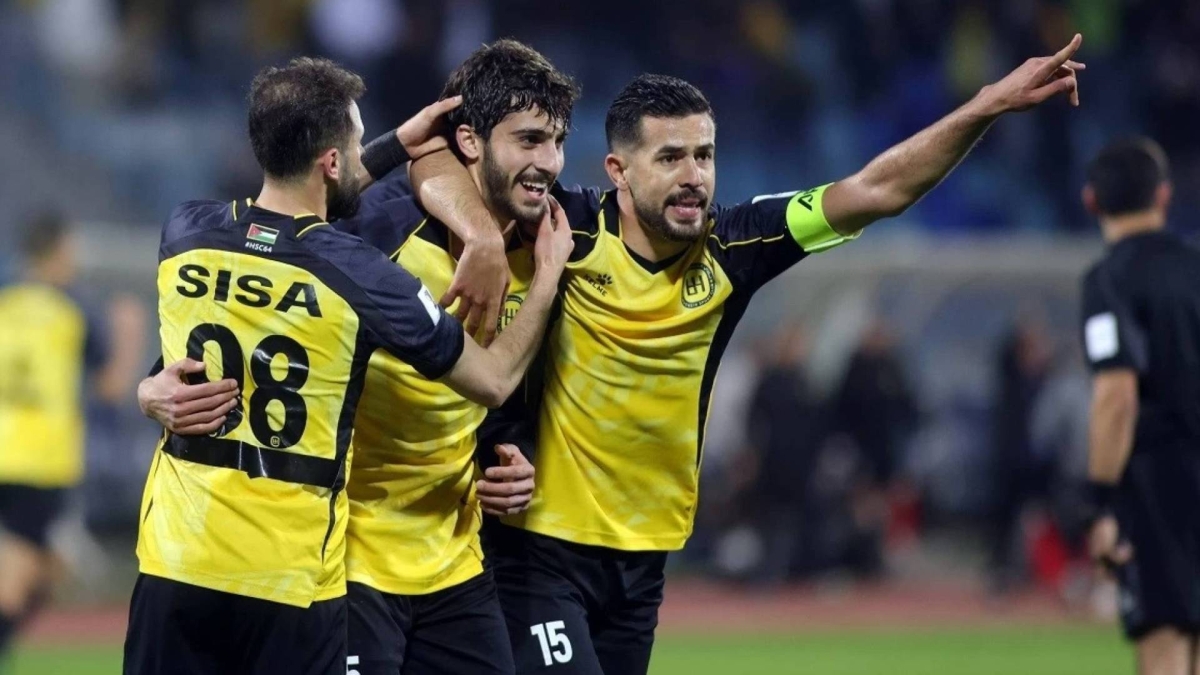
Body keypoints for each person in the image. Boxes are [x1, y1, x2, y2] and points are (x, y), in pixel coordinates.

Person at [411, 36, 1087, 674]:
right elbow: (432, 154)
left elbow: (877, 190)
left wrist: (986, 105)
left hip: (646, 558)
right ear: (618, 170)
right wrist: (484, 235)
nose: (693, 177)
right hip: (538, 548)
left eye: (704, 156)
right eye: (669, 158)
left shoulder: (735, 247)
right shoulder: (564, 227)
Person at [122, 56, 574, 675]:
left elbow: (206, 339)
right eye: (359, 144)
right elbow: (493, 379)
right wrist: (546, 276)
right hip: (302, 571)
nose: (549, 160)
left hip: (179, 558)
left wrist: (149, 389)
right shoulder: (361, 270)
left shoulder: (186, 231)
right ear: (334, 161)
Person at [1080, 138, 1200, 675]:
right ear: (1163, 196)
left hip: (1162, 483)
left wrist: (1101, 503)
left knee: (1164, 640)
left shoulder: (1109, 280)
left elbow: (1117, 395)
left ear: (1091, 201)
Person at [0, 213, 141, 660]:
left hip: (7, 451)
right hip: (40, 461)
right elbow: (112, 388)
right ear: (60, 253)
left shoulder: (6, 300)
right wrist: (129, 334)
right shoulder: (72, 309)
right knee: (16, 582)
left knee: (50, 567)